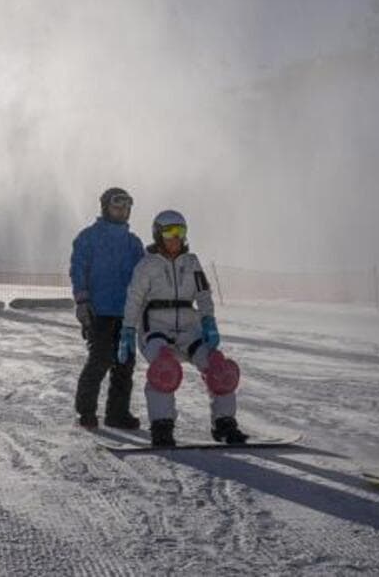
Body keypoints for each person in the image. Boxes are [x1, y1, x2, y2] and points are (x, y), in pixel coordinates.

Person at [117, 210, 248, 448]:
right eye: (169, 232)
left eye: (180, 232)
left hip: (190, 328)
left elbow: (204, 294)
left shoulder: (192, 262)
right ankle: (162, 426)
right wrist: (127, 330)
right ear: (158, 234)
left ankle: (224, 423)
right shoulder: (146, 265)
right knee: (163, 370)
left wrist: (208, 321)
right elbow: (134, 299)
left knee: (219, 369)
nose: (175, 238)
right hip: (155, 328)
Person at [70, 187, 146, 429]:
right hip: (99, 311)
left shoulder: (133, 243)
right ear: (105, 207)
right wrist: (82, 301)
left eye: (126, 207)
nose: (122, 211)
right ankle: (86, 410)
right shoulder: (88, 238)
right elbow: (78, 269)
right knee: (100, 360)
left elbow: (143, 276)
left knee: (125, 364)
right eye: (117, 206)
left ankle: (117, 413)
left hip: (126, 313)